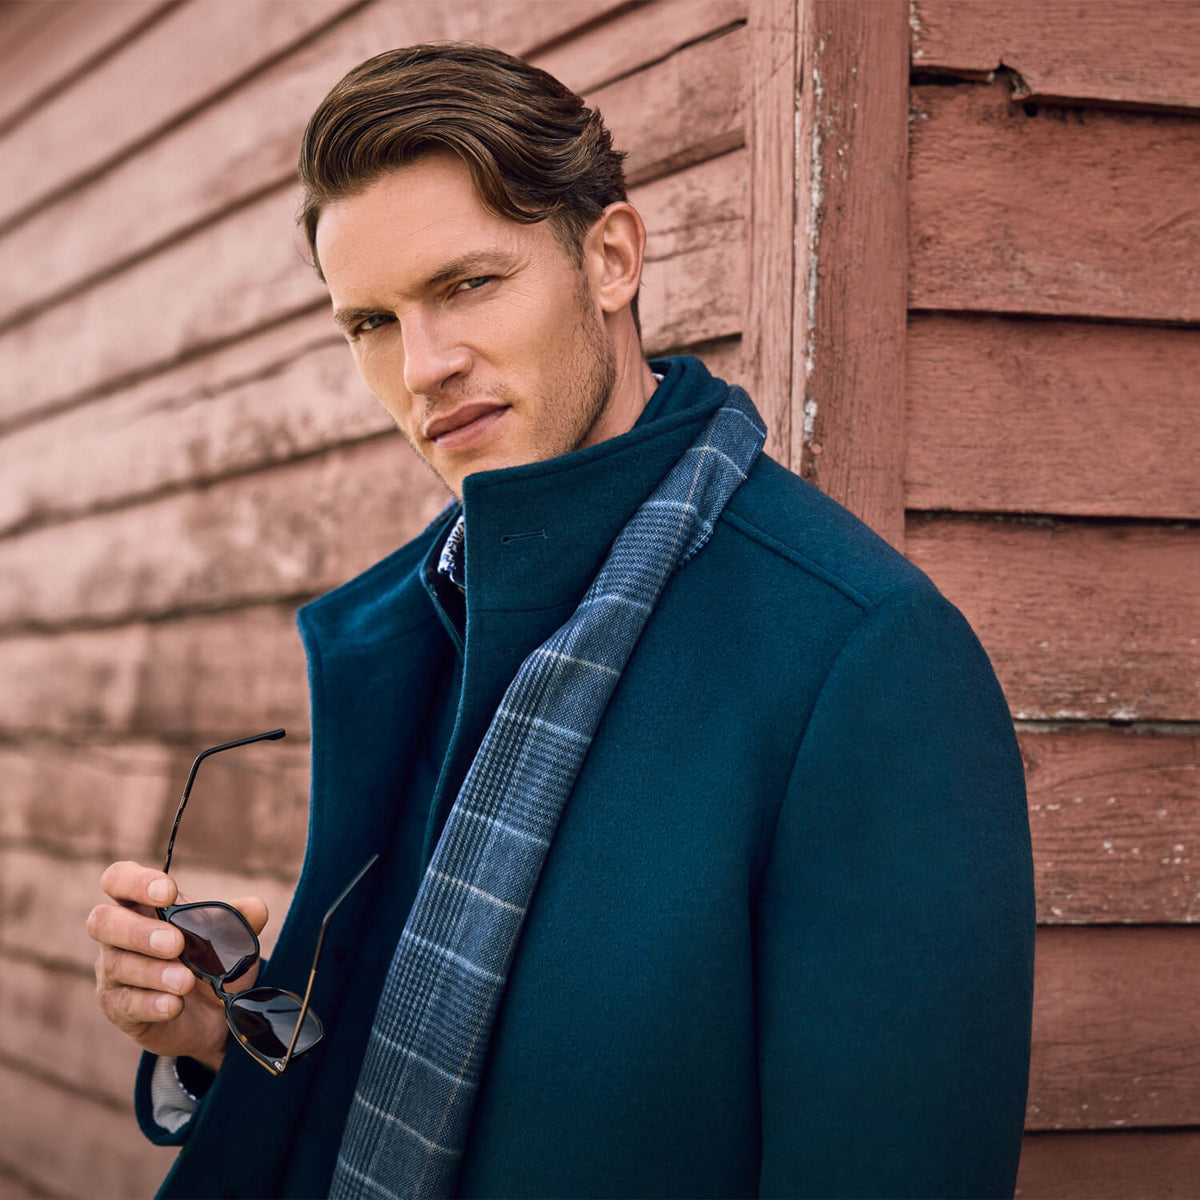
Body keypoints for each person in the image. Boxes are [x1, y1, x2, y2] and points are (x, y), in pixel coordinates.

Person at [87, 43, 1035, 1200]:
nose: (423, 366)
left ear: (611, 259)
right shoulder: (428, 623)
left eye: (467, 285)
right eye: (371, 323)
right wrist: (214, 1037)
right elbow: (407, 1070)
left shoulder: (863, 653)